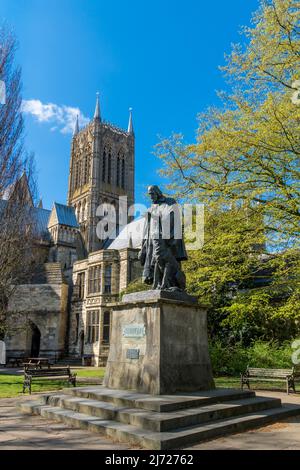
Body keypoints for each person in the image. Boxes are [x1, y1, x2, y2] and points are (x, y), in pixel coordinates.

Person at [139, 185, 187, 290]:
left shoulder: (169, 201)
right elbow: (146, 228)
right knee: (155, 262)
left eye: (152, 194)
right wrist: (143, 247)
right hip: (154, 239)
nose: (151, 197)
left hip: (167, 239)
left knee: (169, 262)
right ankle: (158, 285)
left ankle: (173, 285)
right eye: (149, 195)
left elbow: (174, 217)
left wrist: (169, 237)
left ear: (157, 192)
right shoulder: (151, 207)